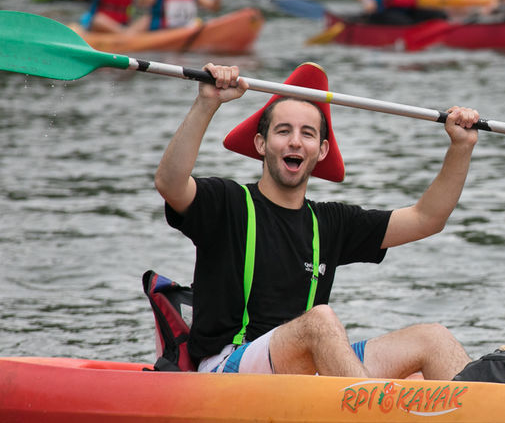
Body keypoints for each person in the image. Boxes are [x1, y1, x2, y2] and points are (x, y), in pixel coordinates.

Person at [154, 62, 481, 379]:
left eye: (307, 134)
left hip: (305, 368)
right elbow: (170, 183)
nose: (295, 141)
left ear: (321, 150)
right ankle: (373, 415)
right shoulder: (226, 202)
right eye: (283, 131)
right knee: (320, 321)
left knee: (433, 339)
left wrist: (461, 147)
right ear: (261, 143)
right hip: (227, 371)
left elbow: (427, 219)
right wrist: (206, 102)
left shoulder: (331, 222)